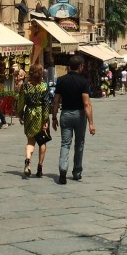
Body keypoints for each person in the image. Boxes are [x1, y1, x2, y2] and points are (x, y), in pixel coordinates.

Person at [50, 55, 95, 184]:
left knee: (65, 143)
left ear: (69, 67)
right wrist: (91, 123)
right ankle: (77, 172)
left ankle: (63, 170)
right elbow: (86, 103)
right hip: (79, 115)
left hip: (65, 114)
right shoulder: (83, 82)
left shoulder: (61, 80)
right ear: (80, 67)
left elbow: (56, 100)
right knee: (79, 144)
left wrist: (54, 117)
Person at [16, 64, 51, 177]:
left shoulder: (25, 86)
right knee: (42, 141)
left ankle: (27, 160)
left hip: (29, 114)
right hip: (40, 114)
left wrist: (21, 115)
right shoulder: (44, 86)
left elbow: (21, 102)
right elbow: (46, 104)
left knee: (30, 141)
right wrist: (46, 120)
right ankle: (40, 166)